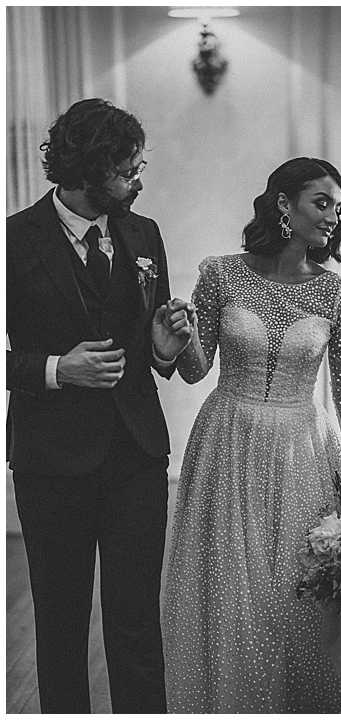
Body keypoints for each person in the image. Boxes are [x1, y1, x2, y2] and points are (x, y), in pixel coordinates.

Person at [161, 157, 341, 711]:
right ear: (284, 203)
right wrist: (172, 341)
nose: (333, 216)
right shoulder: (220, 273)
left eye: (339, 207)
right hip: (226, 443)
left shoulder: (339, 294)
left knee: (297, 587)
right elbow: (195, 367)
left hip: (302, 448)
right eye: (322, 202)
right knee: (232, 589)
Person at [6, 98, 193, 713]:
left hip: (137, 455)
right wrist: (59, 369)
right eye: (128, 169)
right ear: (88, 170)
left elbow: (150, 348)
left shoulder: (145, 234)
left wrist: (163, 349)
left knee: (137, 621)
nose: (139, 180)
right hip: (49, 461)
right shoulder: (13, 240)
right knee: (59, 625)